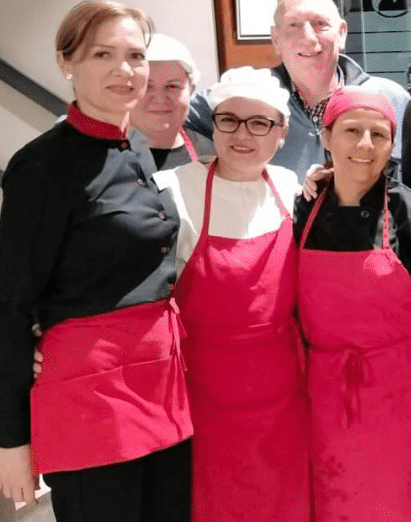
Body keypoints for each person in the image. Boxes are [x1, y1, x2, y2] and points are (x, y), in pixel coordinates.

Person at [0, 0, 192, 521]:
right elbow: (11, 303)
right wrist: (11, 440)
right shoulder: (41, 166)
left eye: (135, 55)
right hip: (91, 395)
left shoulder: (135, 148)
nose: (124, 70)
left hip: (160, 381)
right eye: (102, 53)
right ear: (67, 62)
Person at [295, 85, 411, 521]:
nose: (364, 145)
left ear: (392, 145)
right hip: (329, 404)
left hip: (409, 400)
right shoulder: (304, 211)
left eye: (378, 135)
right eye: (351, 130)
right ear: (325, 136)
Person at [153, 66, 310, 521]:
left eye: (259, 123)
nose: (243, 134)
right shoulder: (174, 191)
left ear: (281, 134)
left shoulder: (289, 188)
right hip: (206, 395)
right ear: (213, 125)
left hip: (284, 393)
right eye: (229, 120)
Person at [187, 0, 410, 177]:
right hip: (280, 227)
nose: (308, 38)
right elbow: (170, 115)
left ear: (341, 33)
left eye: (320, 23)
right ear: (276, 39)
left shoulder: (390, 99)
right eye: (293, 25)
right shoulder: (248, 97)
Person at [136, 33, 212, 169]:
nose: (159, 99)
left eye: (172, 86)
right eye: (147, 86)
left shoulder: (211, 153)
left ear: (191, 90)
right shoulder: (103, 158)